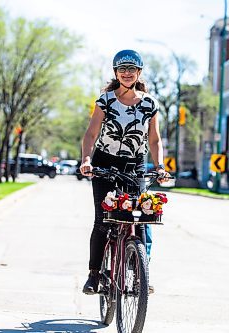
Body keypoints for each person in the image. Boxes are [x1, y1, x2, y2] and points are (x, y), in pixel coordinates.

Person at [79, 49, 170, 295]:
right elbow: (91, 134)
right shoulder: (105, 100)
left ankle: (141, 273)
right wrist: (87, 160)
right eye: (122, 69)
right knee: (103, 220)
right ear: (116, 73)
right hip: (104, 164)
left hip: (135, 165)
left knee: (142, 220)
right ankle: (94, 275)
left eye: (131, 69)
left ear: (139, 72)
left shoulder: (150, 104)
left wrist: (159, 166)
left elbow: (155, 140)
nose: (127, 73)